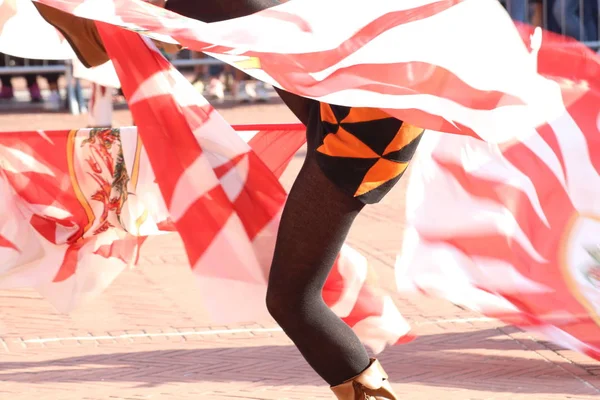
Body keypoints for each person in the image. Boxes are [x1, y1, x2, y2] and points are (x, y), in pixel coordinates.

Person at [32, 1, 424, 398]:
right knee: (268, 32)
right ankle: (136, 14)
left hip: (365, 127)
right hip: (357, 100)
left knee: (293, 302)